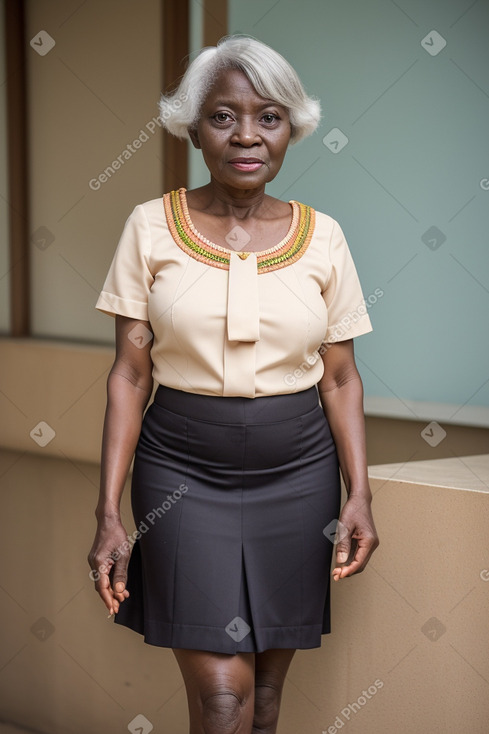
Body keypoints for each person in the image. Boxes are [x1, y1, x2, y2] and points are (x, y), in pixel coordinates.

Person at [88, 35, 379, 734]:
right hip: (183, 473)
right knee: (222, 700)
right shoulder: (150, 228)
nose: (246, 135)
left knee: (265, 704)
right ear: (192, 127)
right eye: (222, 116)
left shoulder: (323, 238)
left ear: (291, 129)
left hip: (298, 473)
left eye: (268, 117)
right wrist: (107, 512)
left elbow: (339, 380)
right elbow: (130, 372)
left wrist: (360, 492)